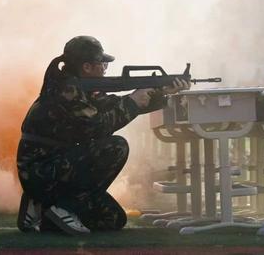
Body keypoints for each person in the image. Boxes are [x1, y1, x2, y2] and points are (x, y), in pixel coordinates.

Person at [16, 36, 189, 235]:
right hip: (42, 170)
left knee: (112, 219)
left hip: (56, 167)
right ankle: (64, 207)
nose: (105, 69)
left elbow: (112, 105)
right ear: (87, 67)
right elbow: (99, 125)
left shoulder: (79, 88)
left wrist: (160, 94)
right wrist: (133, 102)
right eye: (102, 64)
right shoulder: (67, 91)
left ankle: (41, 206)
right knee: (115, 147)